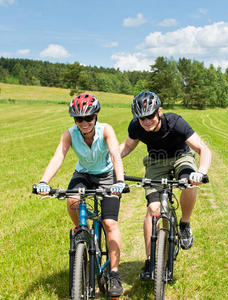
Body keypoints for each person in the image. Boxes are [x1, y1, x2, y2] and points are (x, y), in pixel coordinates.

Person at [36, 93, 125, 297]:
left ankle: (114, 273)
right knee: (72, 200)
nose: (84, 123)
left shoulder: (106, 130)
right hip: (83, 174)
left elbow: (115, 154)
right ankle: (82, 232)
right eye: (79, 119)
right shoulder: (69, 134)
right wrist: (44, 182)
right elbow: (59, 155)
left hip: (106, 175)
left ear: (96, 117)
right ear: (74, 120)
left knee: (110, 223)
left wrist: (119, 181)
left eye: (88, 118)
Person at [119, 91, 212, 280]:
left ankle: (184, 224)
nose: (146, 121)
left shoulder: (175, 122)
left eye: (150, 116)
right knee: (153, 208)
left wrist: (200, 172)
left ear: (159, 111)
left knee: (188, 184)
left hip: (181, 157)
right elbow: (127, 147)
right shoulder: (136, 126)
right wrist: (108, 161)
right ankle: (150, 261)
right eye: (141, 118)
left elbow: (203, 148)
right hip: (156, 161)